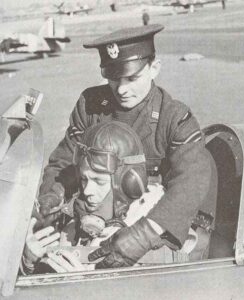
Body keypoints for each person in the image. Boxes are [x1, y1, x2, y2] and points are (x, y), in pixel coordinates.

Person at [37, 24, 217, 266]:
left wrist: (143, 235)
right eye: (113, 78)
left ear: (155, 68)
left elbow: (191, 183)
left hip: (153, 227)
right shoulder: (90, 105)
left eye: (132, 78)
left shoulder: (174, 118)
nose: (121, 89)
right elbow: (64, 161)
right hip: (96, 220)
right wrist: (53, 194)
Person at [21, 121, 210, 273]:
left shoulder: (157, 243)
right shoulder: (74, 226)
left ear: (129, 184)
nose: (87, 191)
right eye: (84, 180)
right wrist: (29, 262)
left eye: (99, 181)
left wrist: (84, 289)